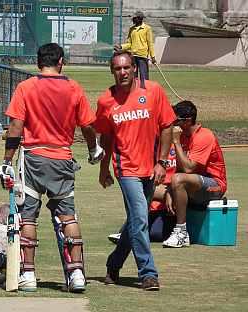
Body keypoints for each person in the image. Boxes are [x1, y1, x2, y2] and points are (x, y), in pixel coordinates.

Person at [0, 43, 104, 292]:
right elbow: (87, 125)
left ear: (38, 62)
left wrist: (6, 161)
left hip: (33, 158)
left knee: (28, 217)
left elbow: (15, 127)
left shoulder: (26, 87)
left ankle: (28, 275)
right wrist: (93, 149)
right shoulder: (73, 88)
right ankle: (76, 273)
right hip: (62, 159)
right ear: (61, 62)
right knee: (68, 215)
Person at [95, 51, 175, 291]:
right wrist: (104, 168)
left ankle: (114, 263)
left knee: (135, 222)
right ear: (112, 71)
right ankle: (148, 273)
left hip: (151, 168)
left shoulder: (153, 91)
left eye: (127, 67)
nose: (123, 73)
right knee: (141, 218)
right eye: (118, 69)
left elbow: (167, 126)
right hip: (126, 169)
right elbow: (106, 137)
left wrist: (161, 162)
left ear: (134, 68)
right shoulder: (106, 101)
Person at [163, 100, 227, 248]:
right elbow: (180, 170)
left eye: (176, 120)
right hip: (193, 185)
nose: (172, 124)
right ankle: (131, 230)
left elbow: (188, 169)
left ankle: (181, 232)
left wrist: (176, 142)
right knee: (150, 188)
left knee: (178, 180)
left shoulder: (204, 136)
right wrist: (169, 191)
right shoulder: (183, 137)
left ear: (187, 121)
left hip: (214, 186)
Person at [108, 144, 177, 244]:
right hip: (152, 205)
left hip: (173, 205)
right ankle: (130, 233)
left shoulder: (184, 142)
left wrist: (171, 191)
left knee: (155, 232)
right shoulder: (150, 144)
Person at [114, 11, 156, 82]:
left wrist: (153, 57)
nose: (132, 20)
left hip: (142, 56)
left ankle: (145, 91)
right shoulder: (131, 29)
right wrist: (121, 47)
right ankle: (135, 91)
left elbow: (150, 43)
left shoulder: (147, 28)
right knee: (133, 77)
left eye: (134, 18)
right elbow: (129, 43)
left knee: (144, 76)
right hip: (133, 56)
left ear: (140, 18)